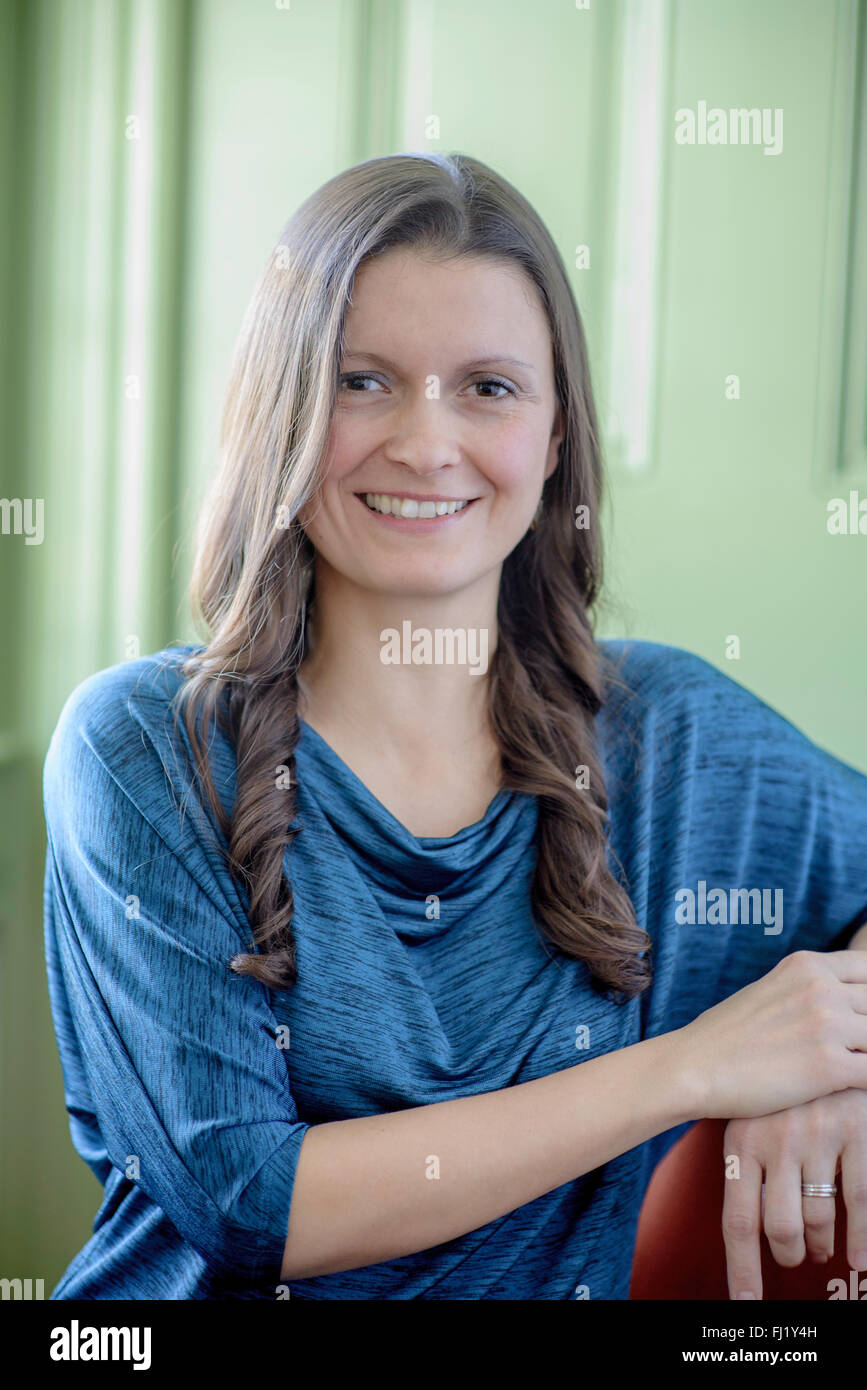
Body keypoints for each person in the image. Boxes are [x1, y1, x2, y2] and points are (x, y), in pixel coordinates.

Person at [42, 152, 867, 1301]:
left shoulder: (670, 742)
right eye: (363, 381)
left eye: (488, 386)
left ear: (557, 437)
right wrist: (688, 1068)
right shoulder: (140, 747)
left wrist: (837, 1063)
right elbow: (248, 1198)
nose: (427, 445)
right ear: (282, 407)